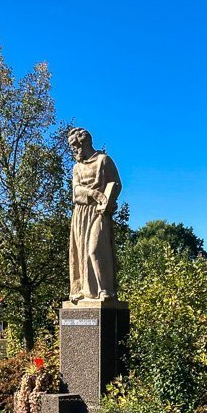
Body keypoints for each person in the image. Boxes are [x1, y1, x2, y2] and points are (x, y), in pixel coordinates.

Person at [67, 128, 122, 301]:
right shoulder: (77, 168)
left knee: (95, 249)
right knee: (79, 253)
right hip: (80, 213)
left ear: (84, 143)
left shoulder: (103, 160)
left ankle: (105, 289)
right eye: (71, 147)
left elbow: (116, 184)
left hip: (98, 212)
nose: (74, 150)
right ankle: (83, 289)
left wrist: (108, 201)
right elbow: (75, 192)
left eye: (75, 146)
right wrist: (93, 193)